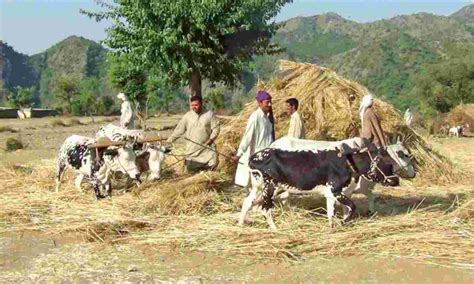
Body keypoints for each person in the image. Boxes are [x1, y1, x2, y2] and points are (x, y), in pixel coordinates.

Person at [167, 95, 221, 173]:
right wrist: (169, 140)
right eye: (192, 105)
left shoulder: (209, 114)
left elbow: (216, 128)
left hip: (206, 149)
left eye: (196, 105)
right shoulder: (187, 116)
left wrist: (211, 139)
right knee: (191, 172)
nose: (194, 107)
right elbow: (179, 131)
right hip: (192, 152)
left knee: (213, 163)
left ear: (201, 104)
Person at [232, 90, 275, 187]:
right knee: (258, 184)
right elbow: (247, 137)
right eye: (267, 102)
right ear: (260, 103)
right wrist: (239, 154)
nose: (269, 104)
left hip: (268, 156)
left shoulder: (268, 119)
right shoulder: (255, 117)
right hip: (258, 156)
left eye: (270, 102)